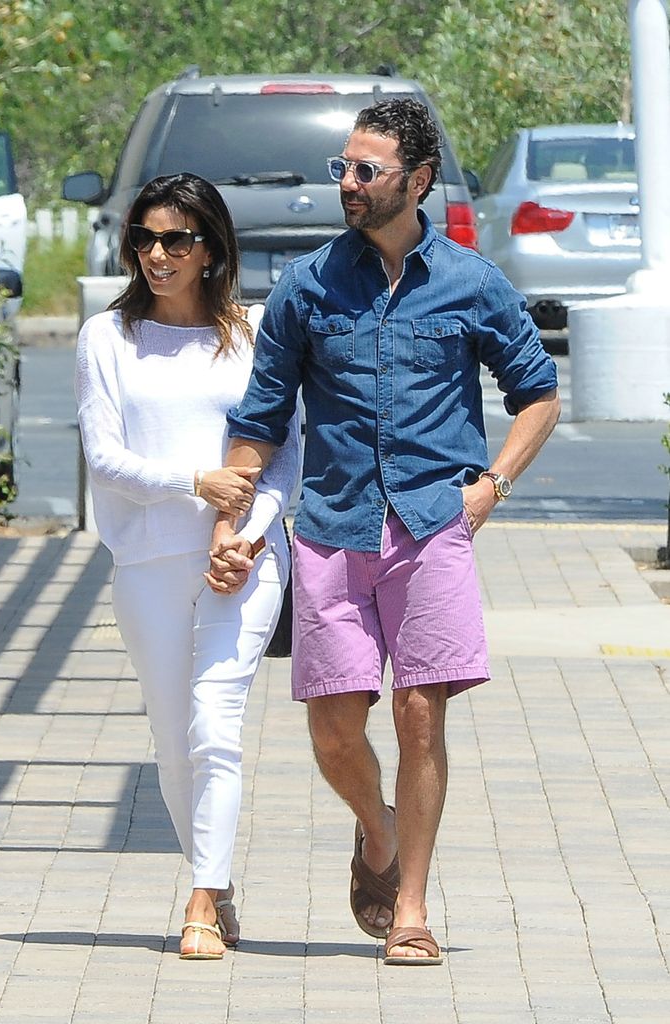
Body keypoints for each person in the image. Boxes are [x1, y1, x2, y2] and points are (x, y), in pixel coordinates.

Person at [216, 98, 560, 965]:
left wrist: (492, 487)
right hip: (330, 528)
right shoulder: (306, 286)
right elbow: (260, 418)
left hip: (431, 524)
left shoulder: (472, 283)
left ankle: (410, 911)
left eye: (366, 170)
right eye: (343, 167)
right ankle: (380, 830)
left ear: (417, 180)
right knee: (332, 727)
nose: (348, 184)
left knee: (418, 713)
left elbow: (539, 393)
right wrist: (236, 515)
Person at [75, 173, 300, 960]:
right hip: (146, 560)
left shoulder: (256, 333)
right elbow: (104, 458)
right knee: (174, 742)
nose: (156, 255)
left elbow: (283, 463)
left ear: (211, 248)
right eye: (143, 238)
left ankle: (201, 901)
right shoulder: (108, 338)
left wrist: (247, 533)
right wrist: (191, 481)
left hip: (242, 560)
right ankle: (217, 879)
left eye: (176, 240)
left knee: (214, 723)